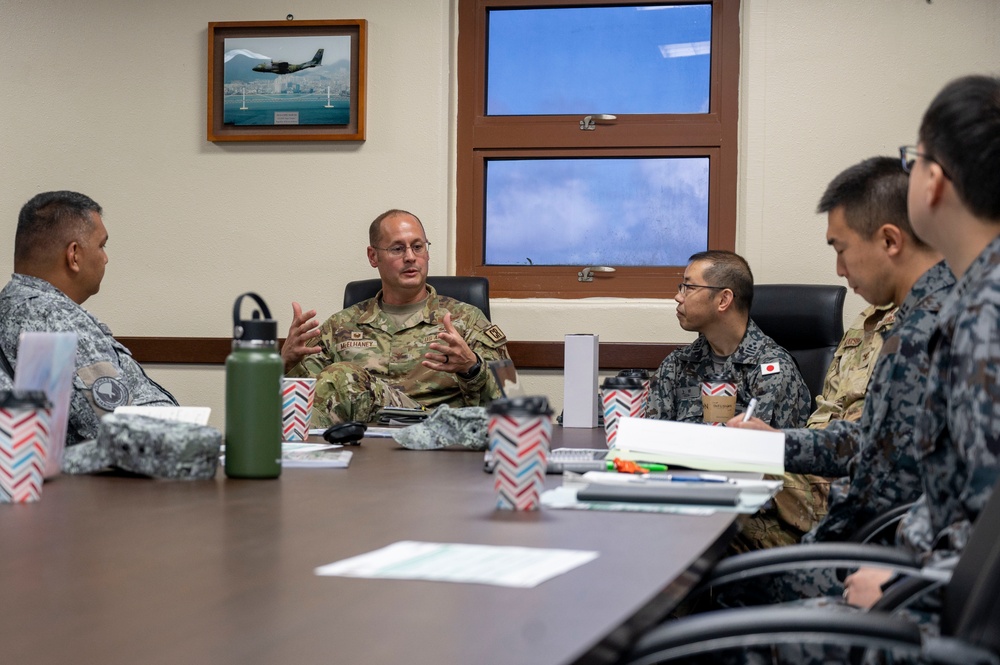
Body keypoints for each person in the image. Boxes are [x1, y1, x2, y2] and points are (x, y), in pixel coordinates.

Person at [723, 156, 953, 609]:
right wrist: (774, 443)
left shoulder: (941, 326)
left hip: (888, 563)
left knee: (712, 582)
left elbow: (959, 492)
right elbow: (874, 442)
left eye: (840, 249)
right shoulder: (912, 320)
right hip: (865, 543)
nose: (838, 270)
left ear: (889, 240)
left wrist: (910, 579)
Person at [843, 74, 1000, 609]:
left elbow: (987, 533)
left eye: (915, 160)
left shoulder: (984, 315)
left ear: (933, 180)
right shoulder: (970, 295)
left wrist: (902, 585)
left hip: (934, 608)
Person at [648, 250, 813, 551]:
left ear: (723, 300)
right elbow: (650, 443)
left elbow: (769, 469)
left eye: (688, 286)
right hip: (679, 506)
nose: (678, 296)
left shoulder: (772, 369)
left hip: (753, 519)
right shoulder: (678, 364)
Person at [283, 209, 510, 426]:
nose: (410, 257)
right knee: (338, 379)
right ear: (373, 256)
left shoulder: (467, 320)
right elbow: (308, 403)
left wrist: (472, 368)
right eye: (398, 249)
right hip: (358, 446)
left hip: (435, 437)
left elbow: (509, 399)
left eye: (418, 247)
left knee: (343, 377)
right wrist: (286, 363)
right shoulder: (339, 326)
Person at [0, 191, 178, 447]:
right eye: (101, 245)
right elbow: (119, 432)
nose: (105, 258)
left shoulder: (17, 304)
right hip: (127, 477)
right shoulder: (50, 317)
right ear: (74, 255)